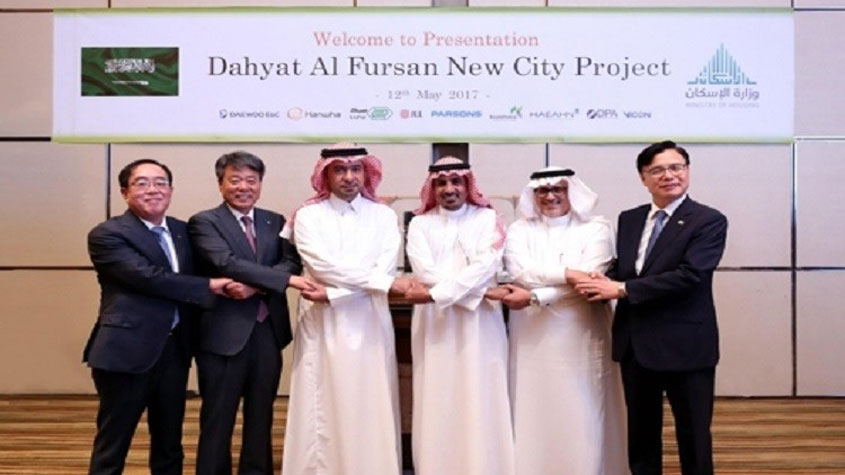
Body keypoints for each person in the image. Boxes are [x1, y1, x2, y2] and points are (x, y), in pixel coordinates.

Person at [576, 141, 728, 475]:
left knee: (693, 436)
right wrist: (599, 279)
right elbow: (628, 269)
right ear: (643, 178)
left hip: (686, 346)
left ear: (687, 171)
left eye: (676, 167)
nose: (668, 175)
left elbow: (691, 275)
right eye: (657, 170)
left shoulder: (708, 220)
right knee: (641, 436)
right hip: (636, 345)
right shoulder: (630, 219)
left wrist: (621, 289)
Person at [84, 159, 233, 475]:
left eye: (160, 182)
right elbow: (149, 278)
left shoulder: (182, 231)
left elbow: (217, 262)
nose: (153, 189)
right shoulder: (108, 234)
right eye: (142, 183)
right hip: (125, 352)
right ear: (125, 192)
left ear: (171, 190)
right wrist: (209, 286)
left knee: (169, 443)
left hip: (174, 352)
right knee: (113, 443)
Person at [280, 144, 411, 475]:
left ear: (366, 173)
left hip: (369, 320)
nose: (349, 177)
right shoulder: (308, 215)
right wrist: (381, 284)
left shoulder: (383, 215)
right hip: (323, 321)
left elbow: (384, 268)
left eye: (356, 169)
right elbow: (323, 266)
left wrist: (337, 294)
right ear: (325, 175)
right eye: (340, 169)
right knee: (323, 401)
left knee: (370, 398)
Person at [188, 151, 319, 475]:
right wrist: (278, 281)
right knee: (218, 416)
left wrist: (255, 287)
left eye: (251, 180)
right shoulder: (204, 222)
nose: (243, 187)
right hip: (223, 335)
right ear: (220, 184)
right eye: (235, 180)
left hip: (267, 330)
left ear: (260, 183)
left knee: (262, 415)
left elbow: (291, 261)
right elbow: (225, 262)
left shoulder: (275, 221)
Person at [501, 166, 627, 475]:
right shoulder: (519, 229)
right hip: (531, 333)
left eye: (558, 188)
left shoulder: (597, 228)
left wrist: (536, 295)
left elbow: (590, 281)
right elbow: (519, 271)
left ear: (573, 191)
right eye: (543, 190)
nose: (550, 196)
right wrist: (568, 273)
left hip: (581, 329)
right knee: (535, 404)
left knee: (583, 406)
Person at [404, 156, 515, 475]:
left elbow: (486, 266)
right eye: (441, 183)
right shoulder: (420, 223)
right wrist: (473, 294)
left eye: (456, 181)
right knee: (437, 393)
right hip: (435, 322)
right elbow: (424, 270)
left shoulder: (488, 218)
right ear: (432, 188)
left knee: (481, 391)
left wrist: (439, 294)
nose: (448, 188)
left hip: (481, 322)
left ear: (468, 185)